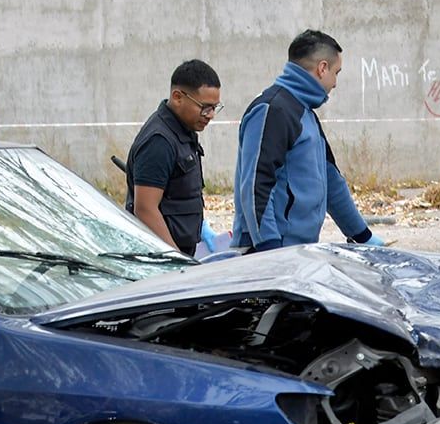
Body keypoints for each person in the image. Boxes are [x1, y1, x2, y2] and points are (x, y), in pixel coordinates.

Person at [231, 30, 384, 251]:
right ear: (322, 68)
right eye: (336, 73)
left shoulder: (304, 113)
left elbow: (331, 180)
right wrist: (269, 251)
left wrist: (362, 235)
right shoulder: (272, 110)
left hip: (296, 251)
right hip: (271, 252)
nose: (335, 83)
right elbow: (255, 186)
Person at [124, 60, 222, 256]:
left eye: (215, 107)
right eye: (205, 107)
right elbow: (145, 210)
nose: (210, 115)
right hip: (161, 260)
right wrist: (176, 260)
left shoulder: (183, 132)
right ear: (178, 97)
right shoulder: (159, 142)